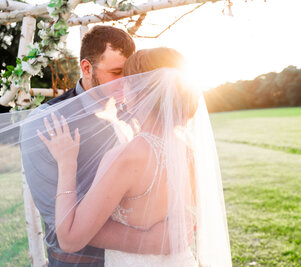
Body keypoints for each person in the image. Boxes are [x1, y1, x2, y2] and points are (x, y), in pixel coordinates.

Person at [36, 47, 232, 266]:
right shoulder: (187, 150)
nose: (122, 88)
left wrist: (66, 163)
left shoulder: (126, 156)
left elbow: (70, 239)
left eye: (129, 81)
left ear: (142, 90)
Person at [19, 26, 167, 267]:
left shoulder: (137, 111)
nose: (127, 83)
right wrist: (149, 240)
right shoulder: (47, 122)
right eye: (116, 72)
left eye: (129, 74)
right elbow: (61, 224)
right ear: (87, 68)